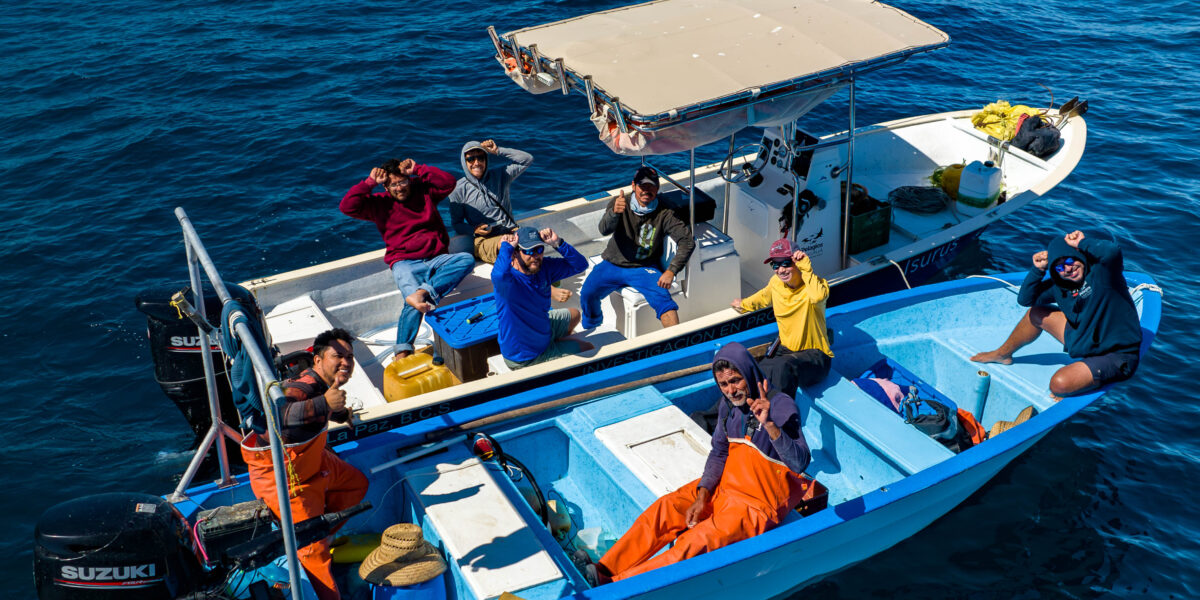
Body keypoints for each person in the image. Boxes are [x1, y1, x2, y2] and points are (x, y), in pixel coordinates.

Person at [589, 342, 812, 583]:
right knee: (666, 508)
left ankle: (616, 585)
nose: (731, 390)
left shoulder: (780, 406)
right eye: (724, 384)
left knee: (694, 542)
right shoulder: (728, 408)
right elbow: (718, 453)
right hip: (724, 489)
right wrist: (702, 495)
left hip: (755, 506)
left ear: (749, 373)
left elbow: (800, 463)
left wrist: (770, 425)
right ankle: (605, 569)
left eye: (736, 380)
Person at [240, 329, 369, 600]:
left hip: (313, 462)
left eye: (350, 357)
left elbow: (319, 411)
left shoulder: (323, 385)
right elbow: (282, 412)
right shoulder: (301, 386)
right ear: (318, 360)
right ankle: (312, 551)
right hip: (285, 480)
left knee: (356, 485)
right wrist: (325, 403)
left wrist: (341, 412)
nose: (346, 362)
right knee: (315, 554)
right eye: (338, 356)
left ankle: (320, 536)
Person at [971, 230, 1142, 398]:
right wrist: (1037, 270)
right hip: (1083, 339)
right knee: (1036, 314)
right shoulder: (1060, 285)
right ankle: (1002, 354)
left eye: (1070, 260)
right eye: (1060, 266)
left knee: (1059, 384)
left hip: (1116, 354)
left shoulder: (1102, 274)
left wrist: (1081, 243)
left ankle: (1089, 381)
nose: (1068, 268)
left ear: (1079, 256)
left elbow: (1112, 251)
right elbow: (1025, 299)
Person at [340, 158, 474, 359]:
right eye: (393, 184)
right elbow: (347, 207)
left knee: (465, 260)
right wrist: (368, 183)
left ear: (409, 180)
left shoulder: (424, 191)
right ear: (385, 186)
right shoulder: (379, 204)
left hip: (437, 257)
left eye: (403, 182)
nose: (399, 188)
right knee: (412, 300)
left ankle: (419, 299)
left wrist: (418, 169)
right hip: (404, 263)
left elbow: (448, 183)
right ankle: (403, 350)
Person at [580, 166, 695, 330]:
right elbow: (604, 230)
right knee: (587, 294)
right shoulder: (619, 202)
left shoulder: (666, 211)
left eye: (651, 186)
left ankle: (676, 344)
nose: (647, 190)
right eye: (643, 186)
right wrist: (614, 212)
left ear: (658, 187)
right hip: (613, 263)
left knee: (666, 304)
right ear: (633, 186)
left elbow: (687, 241)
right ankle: (591, 327)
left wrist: (671, 271)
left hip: (644, 267)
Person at [732, 238, 834, 396]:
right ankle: (709, 418)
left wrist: (806, 269)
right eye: (775, 265)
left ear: (797, 262)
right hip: (785, 351)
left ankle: (779, 415)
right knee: (756, 373)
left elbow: (818, 297)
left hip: (816, 357)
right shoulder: (776, 283)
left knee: (782, 366)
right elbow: (762, 297)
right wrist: (743, 304)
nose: (781, 270)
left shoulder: (816, 286)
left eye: (786, 263)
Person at [492, 226, 592, 369]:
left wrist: (558, 243)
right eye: (528, 251)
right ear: (515, 253)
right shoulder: (507, 282)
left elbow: (580, 265)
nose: (535, 256)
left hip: (542, 328)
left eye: (539, 249)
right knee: (588, 347)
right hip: (526, 356)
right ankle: (557, 351)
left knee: (575, 314)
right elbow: (498, 275)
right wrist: (505, 248)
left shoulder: (544, 267)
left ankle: (557, 344)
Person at [448, 139, 533, 264]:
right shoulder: (458, 190)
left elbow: (527, 159)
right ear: (464, 162)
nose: (476, 163)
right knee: (509, 249)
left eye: (481, 158)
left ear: (486, 160)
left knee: (535, 243)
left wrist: (498, 150)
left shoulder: (500, 176)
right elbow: (457, 223)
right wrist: (474, 230)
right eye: (471, 159)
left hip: (511, 231)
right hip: (485, 239)